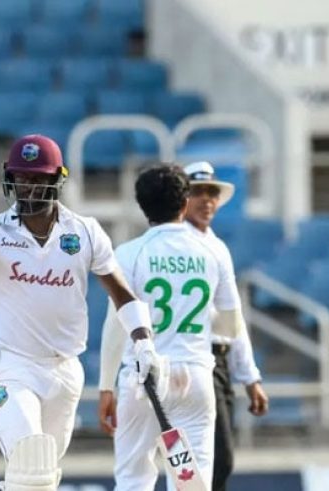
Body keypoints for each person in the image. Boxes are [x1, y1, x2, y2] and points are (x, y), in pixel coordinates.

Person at [0, 134, 159, 491]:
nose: (28, 189)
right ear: (9, 178)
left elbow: (123, 295)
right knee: (31, 470)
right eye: (21, 179)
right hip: (10, 365)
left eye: (38, 180)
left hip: (64, 370)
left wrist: (144, 342)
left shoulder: (85, 232)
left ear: (57, 179)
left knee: (47, 477)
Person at [98, 164, 244, 491]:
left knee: (135, 479)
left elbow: (117, 324)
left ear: (142, 206)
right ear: (184, 203)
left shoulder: (130, 253)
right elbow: (231, 325)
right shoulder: (213, 251)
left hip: (143, 378)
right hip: (195, 377)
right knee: (192, 482)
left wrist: (106, 386)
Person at [182, 161, 269, 491]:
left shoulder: (216, 247)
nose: (207, 200)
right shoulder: (183, 245)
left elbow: (231, 318)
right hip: (193, 357)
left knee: (215, 460)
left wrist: (249, 375)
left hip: (217, 363)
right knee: (210, 459)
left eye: (212, 193)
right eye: (197, 192)